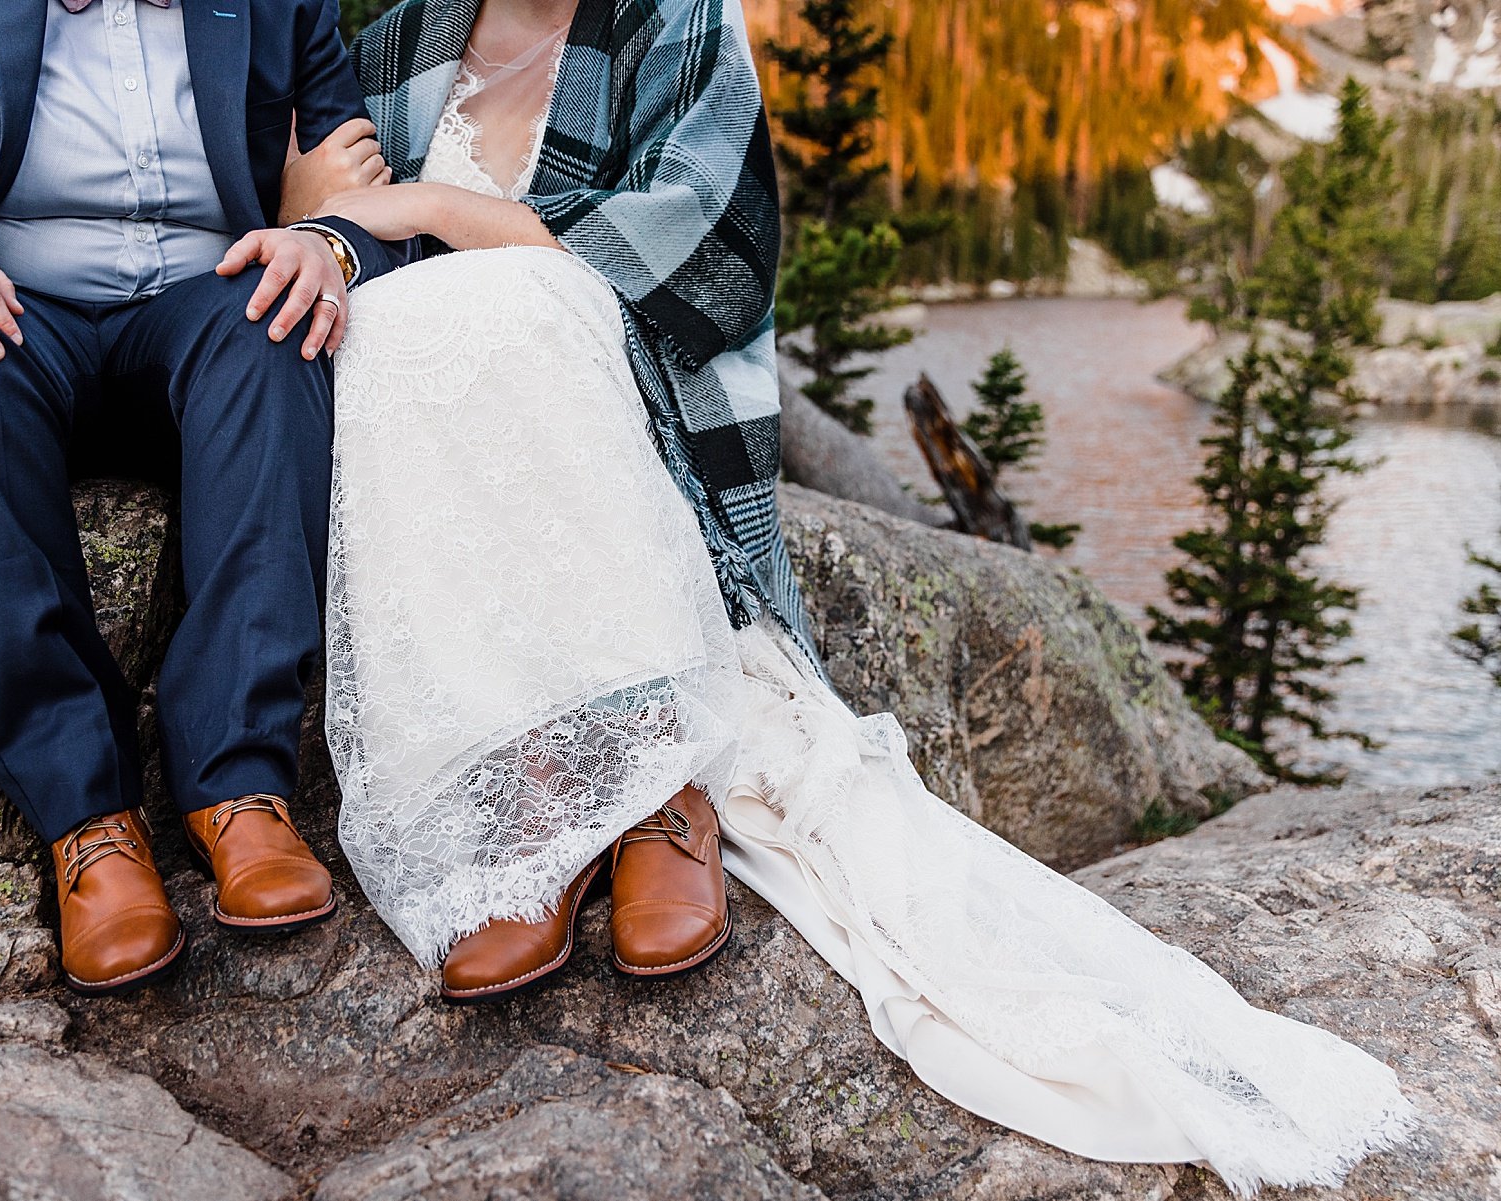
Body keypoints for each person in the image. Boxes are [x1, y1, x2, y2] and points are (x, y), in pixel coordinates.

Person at [283, 0, 1421, 1191]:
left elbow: (693, 253)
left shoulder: (676, 23)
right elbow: (333, 251)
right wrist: (310, 209)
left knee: (519, 299)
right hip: (471, 447)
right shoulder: (398, 37)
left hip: (634, 407)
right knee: (389, 333)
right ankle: (543, 788)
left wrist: (415, 204)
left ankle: (662, 779)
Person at [0, 0, 414, 996]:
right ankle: (90, 821)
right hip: (7, 316)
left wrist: (326, 245)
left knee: (281, 324)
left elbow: (364, 204)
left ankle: (242, 790)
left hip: (210, 308)